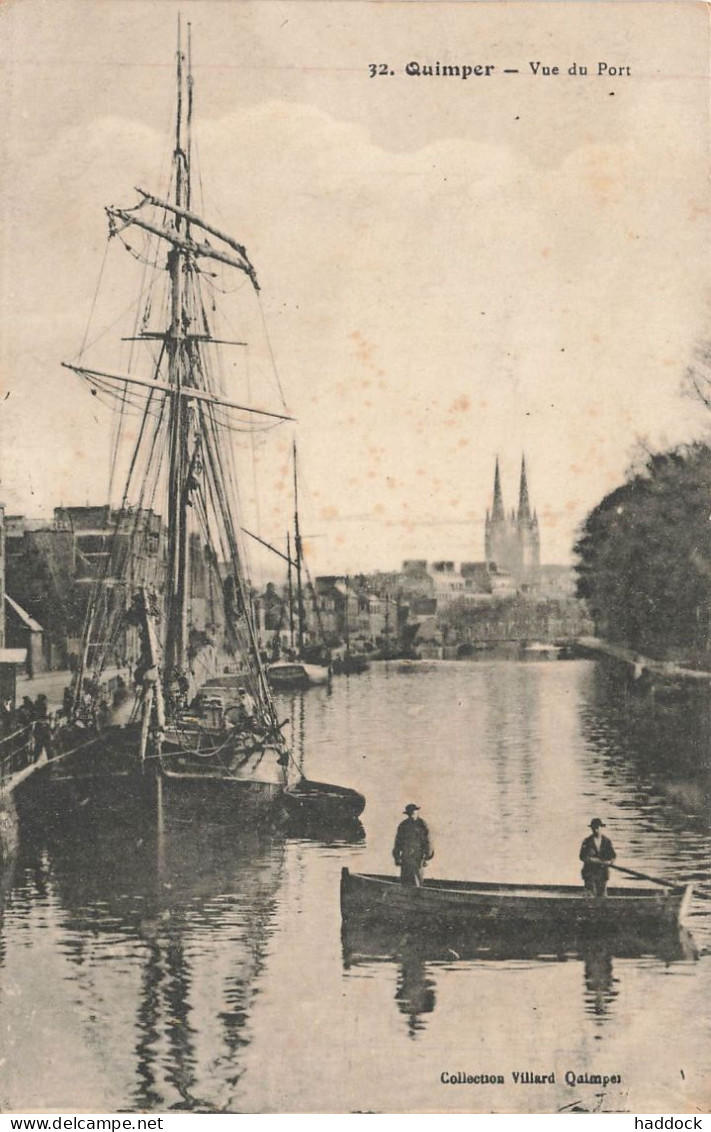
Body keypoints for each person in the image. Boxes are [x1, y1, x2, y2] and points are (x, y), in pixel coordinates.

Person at [393, 804, 434, 886]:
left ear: (417, 812)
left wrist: (426, 857)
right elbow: (398, 843)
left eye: (413, 812)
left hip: (418, 857)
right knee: (405, 880)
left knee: (417, 880)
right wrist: (397, 857)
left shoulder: (422, 824)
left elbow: (428, 842)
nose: (412, 814)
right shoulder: (403, 825)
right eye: (410, 813)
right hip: (406, 856)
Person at [579, 818, 616, 897]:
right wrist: (593, 860)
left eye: (597, 828)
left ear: (601, 828)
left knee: (602, 896)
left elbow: (613, 856)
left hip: (603, 873)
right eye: (593, 828)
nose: (595, 830)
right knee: (590, 896)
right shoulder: (587, 841)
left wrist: (610, 862)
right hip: (590, 873)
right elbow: (582, 857)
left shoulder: (606, 841)